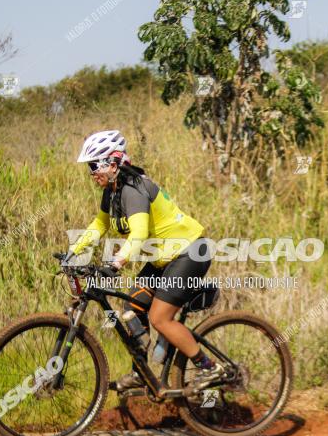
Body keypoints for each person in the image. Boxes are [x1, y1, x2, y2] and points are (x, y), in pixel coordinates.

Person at [67, 130, 221, 391]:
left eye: (94, 166)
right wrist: (73, 252)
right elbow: (99, 225)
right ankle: (141, 373)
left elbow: (138, 233)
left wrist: (117, 262)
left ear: (113, 163)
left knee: (160, 318)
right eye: (89, 167)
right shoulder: (112, 191)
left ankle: (210, 368)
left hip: (190, 252)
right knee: (133, 307)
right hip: (164, 259)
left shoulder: (133, 189)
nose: (91, 173)